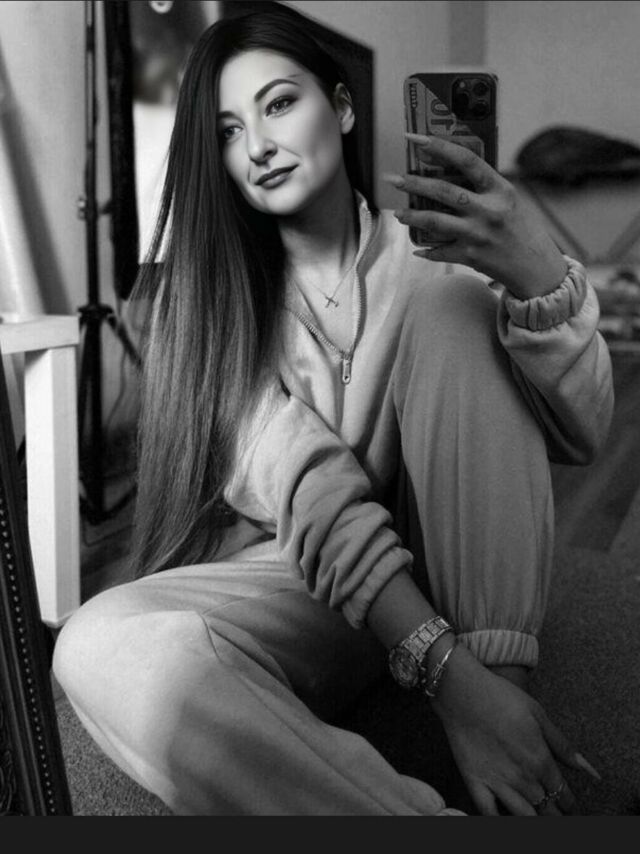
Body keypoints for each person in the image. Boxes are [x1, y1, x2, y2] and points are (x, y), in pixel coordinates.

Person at [53, 7, 614, 816]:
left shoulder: (445, 260)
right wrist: (443, 673)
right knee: (95, 641)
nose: (258, 146)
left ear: (342, 108)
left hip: (464, 579)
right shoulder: (212, 310)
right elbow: (312, 496)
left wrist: (537, 276)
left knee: (449, 306)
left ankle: (505, 714)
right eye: (228, 131)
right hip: (321, 587)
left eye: (280, 103)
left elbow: (585, 431)